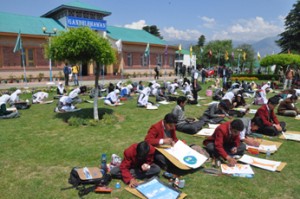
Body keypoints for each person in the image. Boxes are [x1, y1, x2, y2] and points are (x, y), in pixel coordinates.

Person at [144, 113, 209, 171]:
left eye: (173, 126)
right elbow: (147, 140)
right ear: (164, 122)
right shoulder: (156, 127)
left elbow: (174, 139)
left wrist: (175, 143)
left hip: (170, 148)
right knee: (162, 159)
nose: (172, 128)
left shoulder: (172, 127)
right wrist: (162, 141)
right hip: (159, 149)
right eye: (170, 126)